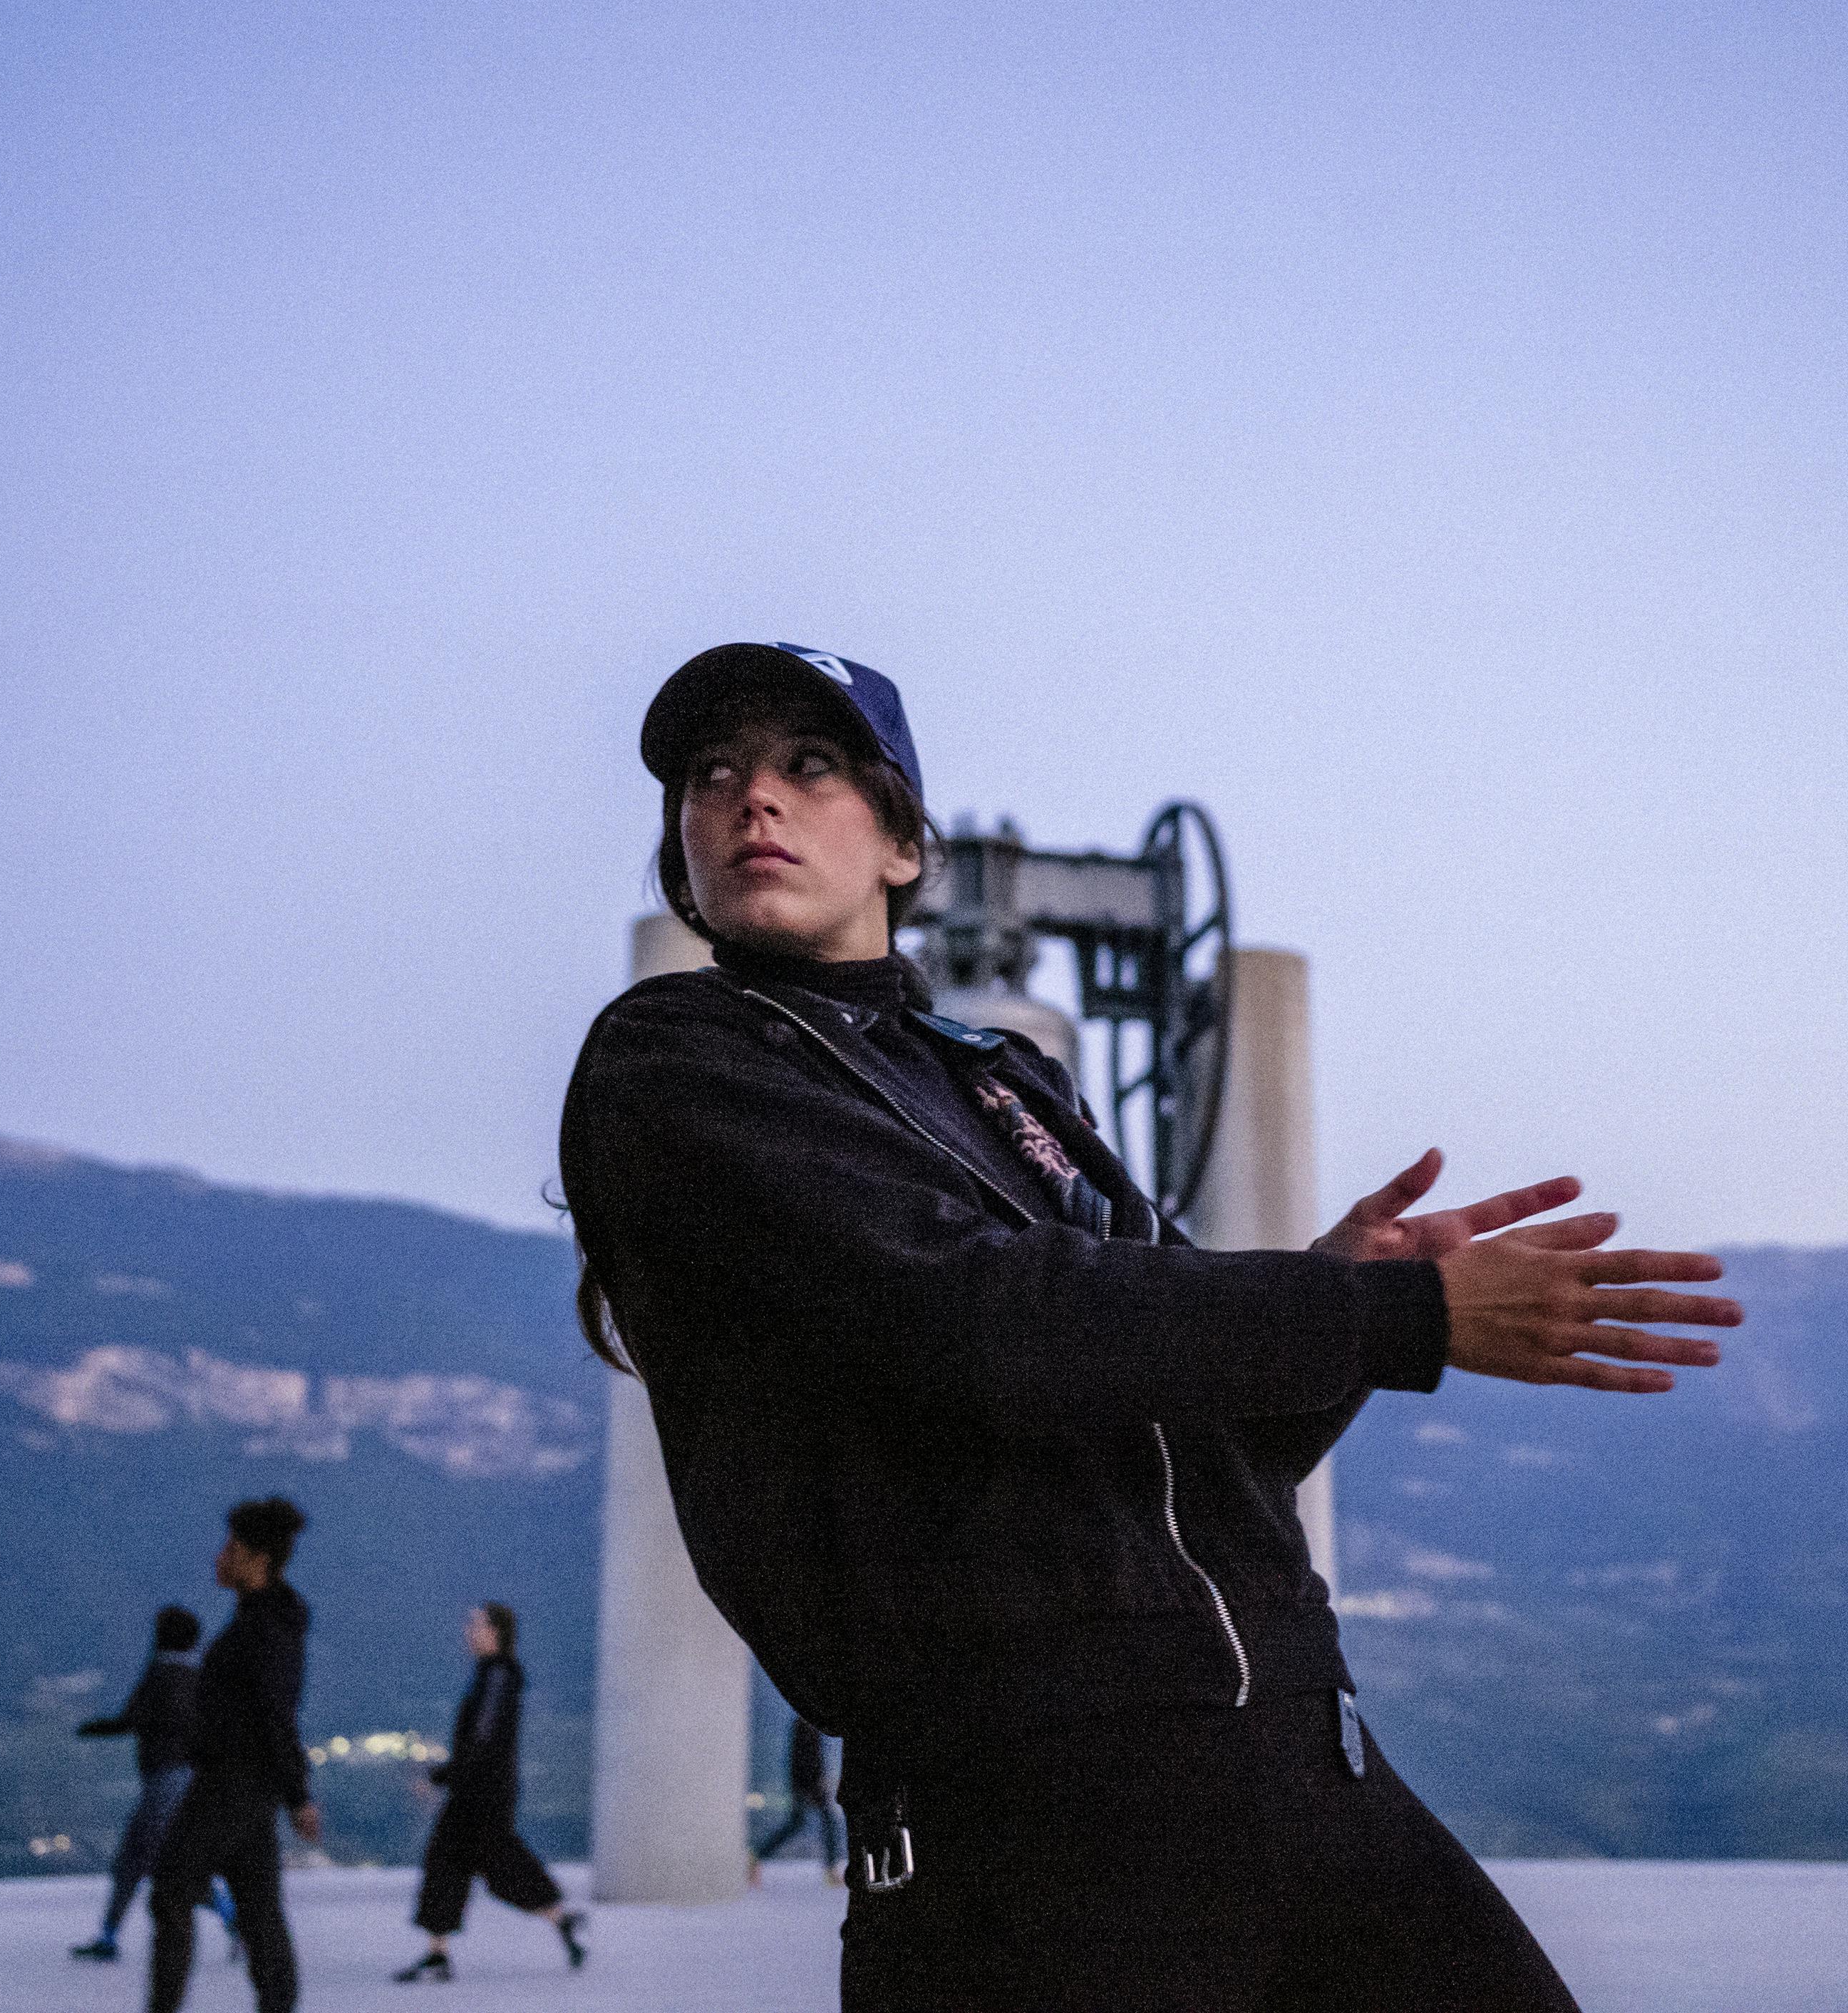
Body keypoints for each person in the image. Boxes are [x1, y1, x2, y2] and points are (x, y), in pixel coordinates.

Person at [558, 640, 1743, 2011]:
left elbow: (1199, 1451)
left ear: (900, 845)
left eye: (808, 768)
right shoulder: (677, 1060)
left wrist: (1335, 1280)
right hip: (1035, 1816)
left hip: (1302, 1753)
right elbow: (985, 1323)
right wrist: (1393, 1314)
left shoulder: (1002, 1078)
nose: (751, 800)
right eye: (714, 777)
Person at [148, 1498, 319, 2013]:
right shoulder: (261, 1618)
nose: (220, 1558)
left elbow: (276, 1714)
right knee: (261, 1916)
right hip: (245, 1785)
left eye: (232, 1549)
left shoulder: (265, 1631)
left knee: (172, 1892)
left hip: (232, 1785)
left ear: (259, 1560)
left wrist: (299, 1796)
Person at [394, 1601, 587, 1982]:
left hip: (480, 1793)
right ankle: (559, 1919)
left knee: (466, 1862)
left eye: (477, 1624)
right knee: (482, 1862)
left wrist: (440, 1777)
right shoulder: (492, 1674)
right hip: (484, 1790)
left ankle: (439, 1955)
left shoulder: (498, 1675)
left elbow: (482, 1740)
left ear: (497, 1632)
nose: (469, 1630)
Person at [70, 1605, 240, 1962]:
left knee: (145, 1861)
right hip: (189, 1780)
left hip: (165, 1782)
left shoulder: (163, 1674)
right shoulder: (198, 1675)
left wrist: (95, 1728)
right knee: (165, 1861)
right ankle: (232, 1919)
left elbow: (133, 1718)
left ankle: (110, 1936)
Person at [750, 1714, 842, 1885]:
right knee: (827, 1824)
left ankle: (756, 1857)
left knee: (799, 1824)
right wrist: (813, 1787)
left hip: (807, 1786)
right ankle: (831, 1872)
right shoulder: (806, 1726)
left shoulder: (805, 1725)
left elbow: (804, 1760)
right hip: (809, 1787)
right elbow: (805, 1761)